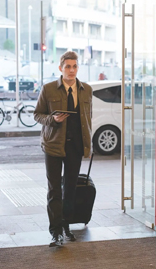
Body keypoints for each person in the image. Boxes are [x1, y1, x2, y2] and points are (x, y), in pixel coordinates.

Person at [34, 51, 93, 247]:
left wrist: (88, 144)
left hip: (75, 147)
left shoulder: (86, 90)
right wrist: (52, 119)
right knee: (54, 190)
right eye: (67, 66)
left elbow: (87, 119)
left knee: (70, 189)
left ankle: (67, 225)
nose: (71, 70)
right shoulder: (49, 89)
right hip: (53, 145)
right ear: (60, 68)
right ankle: (56, 231)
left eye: (74, 66)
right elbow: (37, 115)